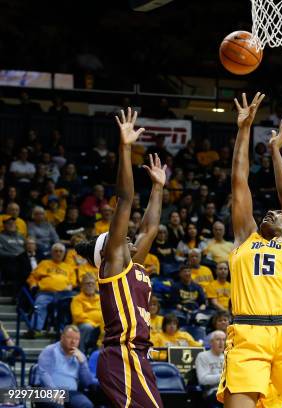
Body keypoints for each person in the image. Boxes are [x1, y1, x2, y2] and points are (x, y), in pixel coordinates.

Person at [217, 93, 282, 408]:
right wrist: (244, 129)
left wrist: (277, 150)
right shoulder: (244, 238)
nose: (271, 213)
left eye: (277, 215)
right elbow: (239, 182)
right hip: (249, 334)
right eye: (269, 212)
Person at [74, 108, 163, 408]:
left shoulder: (135, 266)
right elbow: (124, 199)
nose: (129, 236)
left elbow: (150, 228)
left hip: (136, 355)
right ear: (109, 249)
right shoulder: (113, 267)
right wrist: (125, 148)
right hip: (121, 355)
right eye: (121, 237)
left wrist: (159, 187)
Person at [36, 325, 95, 408]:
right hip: (48, 390)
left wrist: (83, 363)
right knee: (57, 405)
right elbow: (44, 374)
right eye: (70, 338)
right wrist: (54, 391)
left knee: (86, 405)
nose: (73, 341)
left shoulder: (80, 356)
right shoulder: (50, 351)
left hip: (71, 393)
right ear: (62, 337)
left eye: (77, 339)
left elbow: (87, 383)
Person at [26, 242, 74, 336]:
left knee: (69, 306)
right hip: (45, 292)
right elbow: (32, 277)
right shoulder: (44, 263)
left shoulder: (68, 267)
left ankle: (63, 331)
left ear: (64, 254)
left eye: (61, 251)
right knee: (39, 306)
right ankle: (35, 329)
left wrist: (71, 286)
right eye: (56, 251)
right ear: (51, 253)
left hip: (63, 294)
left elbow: (73, 281)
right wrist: (33, 285)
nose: (58, 253)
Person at [70, 272, 102, 354]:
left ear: (95, 286)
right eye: (87, 283)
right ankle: (81, 353)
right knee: (87, 327)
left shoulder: (101, 298)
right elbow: (78, 316)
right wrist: (95, 323)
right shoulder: (77, 299)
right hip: (85, 326)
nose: (90, 285)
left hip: (100, 326)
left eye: (92, 283)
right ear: (82, 286)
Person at [196, 330, 226, 407]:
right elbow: (203, 379)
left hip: (227, 390)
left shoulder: (227, 357)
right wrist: (224, 377)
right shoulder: (203, 356)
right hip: (211, 392)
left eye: (223, 340)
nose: (221, 342)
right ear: (211, 342)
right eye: (218, 339)